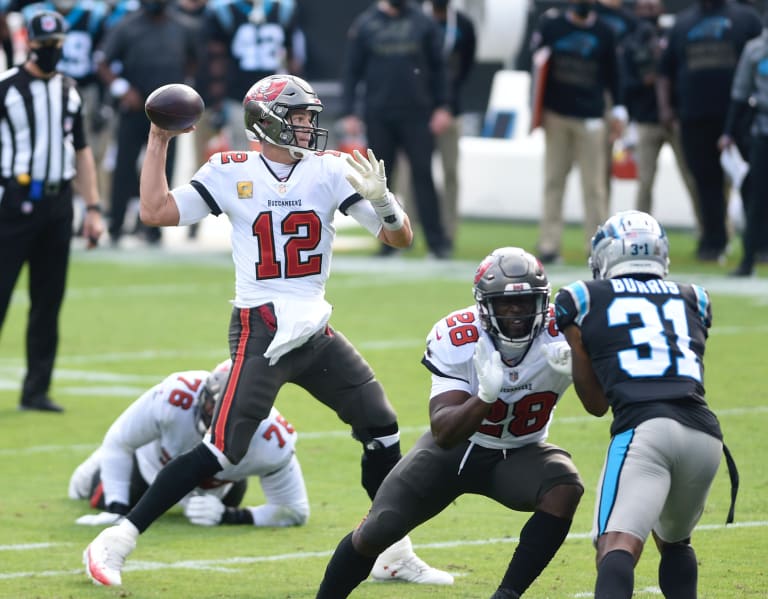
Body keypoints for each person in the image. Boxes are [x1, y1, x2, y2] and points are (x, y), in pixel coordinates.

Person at [82, 73, 450, 587]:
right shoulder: (230, 171)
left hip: (313, 328)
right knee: (222, 449)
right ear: (268, 121)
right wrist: (159, 139)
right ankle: (116, 539)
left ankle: (392, 550)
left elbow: (400, 239)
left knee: (381, 426)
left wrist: (386, 202)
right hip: (261, 328)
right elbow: (155, 210)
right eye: (299, 118)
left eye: (309, 118)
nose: (308, 127)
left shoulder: (328, 171)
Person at [316, 247, 585, 599]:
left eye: (526, 303)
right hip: (455, 451)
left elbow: (600, 406)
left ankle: (506, 595)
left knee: (565, 488)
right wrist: (485, 397)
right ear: (484, 305)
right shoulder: (460, 334)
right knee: (376, 531)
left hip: (521, 452)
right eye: (505, 304)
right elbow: (443, 433)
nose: (517, 314)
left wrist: (583, 365)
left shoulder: (564, 333)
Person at [554, 210, 727, 599]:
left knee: (615, 546)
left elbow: (596, 405)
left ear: (607, 255)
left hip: (645, 432)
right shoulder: (695, 298)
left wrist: (578, 361)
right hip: (705, 436)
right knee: (675, 541)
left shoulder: (580, 298)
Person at [0, 10, 104, 413]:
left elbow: (81, 150)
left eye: (57, 45)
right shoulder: (7, 87)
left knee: (48, 300)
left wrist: (92, 208)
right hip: (12, 203)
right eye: (45, 46)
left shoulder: (68, 90)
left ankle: (36, 389)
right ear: (30, 44)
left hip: (58, 204)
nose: (51, 52)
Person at [69, 360, 310, 529]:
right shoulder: (175, 395)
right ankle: (94, 464)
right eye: (215, 409)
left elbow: (295, 510)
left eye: (232, 415)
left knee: (214, 508)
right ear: (203, 396)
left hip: (217, 488)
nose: (219, 422)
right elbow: (119, 440)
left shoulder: (273, 441)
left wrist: (231, 516)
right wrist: (117, 510)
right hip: (150, 471)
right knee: (82, 488)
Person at [340, 0, 453, 259]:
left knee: (423, 176)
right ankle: (390, 240)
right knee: (382, 181)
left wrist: (443, 106)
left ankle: (437, 242)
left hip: (418, 114)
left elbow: (440, 69)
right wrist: (349, 111)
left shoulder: (423, 23)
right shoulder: (366, 24)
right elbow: (351, 70)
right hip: (379, 114)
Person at [656, 0, 761, 262]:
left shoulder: (746, 18)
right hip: (695, 116)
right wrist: (666, 108)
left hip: (740, 115)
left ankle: (759, 243)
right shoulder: (682, 23)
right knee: (705, 183)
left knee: (754, 181)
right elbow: (665, 70)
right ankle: (713, 243)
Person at [96, 0, 198, 247]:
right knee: (124, 166)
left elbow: (194, 60)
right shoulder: (126, 26)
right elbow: (103, 62)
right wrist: (122, 89)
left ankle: (153, 228)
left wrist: (183, 92)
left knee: (164, 168)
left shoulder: (183, 27)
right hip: (135, 107)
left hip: (169, 114)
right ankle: (117, 225)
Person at [530, 0, 625, 264]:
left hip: (591, 117)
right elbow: (538, 64)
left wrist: (618, 109)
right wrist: (535, 110)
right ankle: (549, 244)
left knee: (594, 186)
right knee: (553, 181)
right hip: (556, 115)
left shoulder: (605, 32)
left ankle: (597, 246)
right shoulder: (552, 25)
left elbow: (614, 75)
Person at [622, 0, 700, 229]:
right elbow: (625, 83)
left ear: (662, 11)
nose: (648, 12)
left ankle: (709, 232)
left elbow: (683, 73)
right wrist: (644, 82)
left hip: (675, 119)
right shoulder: (631, 43)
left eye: (652, 7)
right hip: (646, 120)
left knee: (691, 177)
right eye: (643, 7)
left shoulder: (673, 37)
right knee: (644, 181)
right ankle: (638, 231)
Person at [423, 0, 476, 250]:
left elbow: (465, 66)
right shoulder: (418, 22)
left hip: (451, 111)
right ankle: (409, 226)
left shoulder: (463, 25)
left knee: (450, 172)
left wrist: (448, 104)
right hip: (419, 111)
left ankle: (449, 229)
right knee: (415, 173)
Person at [718, 18, 768, 277]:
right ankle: (749, 257)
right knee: (756, 195)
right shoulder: (755, 50)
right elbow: (739, 92)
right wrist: (728, 132)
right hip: (762, 129)